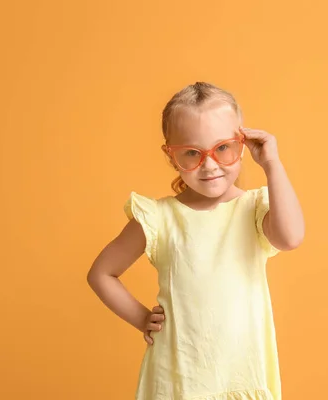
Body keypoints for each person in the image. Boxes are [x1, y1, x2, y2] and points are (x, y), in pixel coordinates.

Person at [87, 81, 305, 400]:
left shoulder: (253, 210)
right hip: (179, 379)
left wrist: (272, 164)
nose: (210, 165)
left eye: (223, 148)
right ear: (171, 156)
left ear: (242, 144)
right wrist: (142, 319)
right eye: (192, 153)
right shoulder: (159, 218)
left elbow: (290, 238)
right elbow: (101, 274)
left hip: (240, 374)